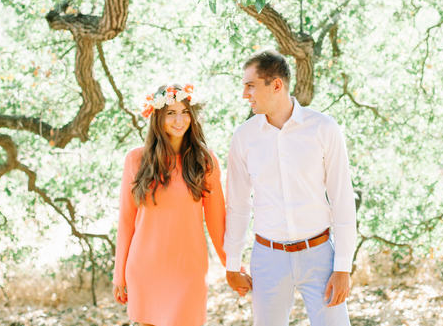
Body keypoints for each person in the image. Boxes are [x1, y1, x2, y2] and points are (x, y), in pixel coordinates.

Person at [224, 51, 357, 326]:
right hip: (268, 258)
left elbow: (343, 199)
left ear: (276, 85)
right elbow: (237, 205)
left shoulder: (323, 128)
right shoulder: (244, 137)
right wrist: (232, 263)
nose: (244, 94)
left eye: (250, 85)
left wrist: (343, 267)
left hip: (319, 254)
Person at [112, 84, 231, 326]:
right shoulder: (136, 159)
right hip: (146, 268)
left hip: (188, 270)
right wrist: (119, 273)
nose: (179, 120)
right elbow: (126, 220)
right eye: (170, 113)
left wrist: (233, 266)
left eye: (185, 112)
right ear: (157, 117)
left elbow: (217, 223)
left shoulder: (205, 161)